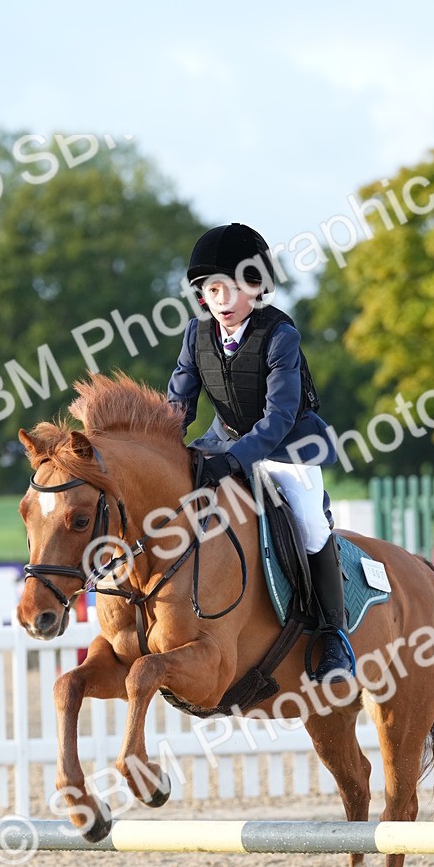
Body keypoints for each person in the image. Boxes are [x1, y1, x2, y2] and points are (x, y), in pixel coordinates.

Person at [167, 222, 354, 679]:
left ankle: (333, 634)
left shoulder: (280, 335)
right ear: (202, 295)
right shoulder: (196, 335)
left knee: (310, 523)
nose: (223, 301)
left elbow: (279, 417)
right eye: (213, 290)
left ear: (257, 288)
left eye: (234, 288)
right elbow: (178, 405)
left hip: (288, 447)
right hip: (222, 439)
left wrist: (233, 460)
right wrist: (161, 446)